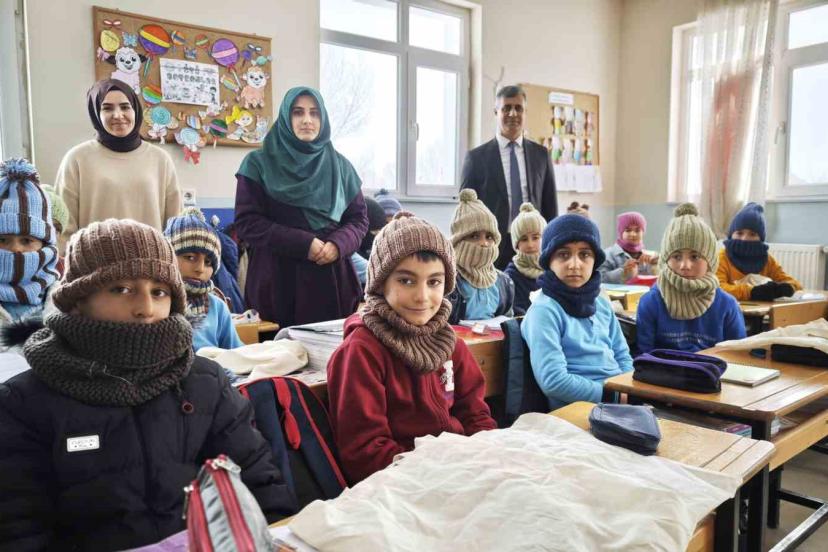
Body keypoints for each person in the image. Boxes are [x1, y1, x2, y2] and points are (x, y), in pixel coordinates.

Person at [0, 219, 295, 551]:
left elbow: (258, 484)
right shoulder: (23, 404)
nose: (146, 308)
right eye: (121, 289)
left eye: (159, 292)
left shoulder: (206, 383)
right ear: (78, 299)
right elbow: (19, 528)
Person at [327, 213, 497, 484]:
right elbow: (365, 453)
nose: (422, 297)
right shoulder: (361, 352)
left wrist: (486, 456)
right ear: (380, 283)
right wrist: (442, 472)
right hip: (403, 482)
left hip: (461, 470)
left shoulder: (450, 343)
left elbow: (476, 416)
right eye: (406, 281)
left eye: (434, 282)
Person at [234, 87, 368, 327]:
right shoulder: (258, 164)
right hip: (277, 283)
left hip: (332, 283)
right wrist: (303, 244)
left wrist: (338, 245)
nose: (307, 120)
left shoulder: (342, 168)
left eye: (314, 113)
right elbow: (247, 223)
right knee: (276, 350)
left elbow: (358, 220)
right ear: (286, 117)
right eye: (298, 112)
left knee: (333, 349)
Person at [521, 214, 633, 410]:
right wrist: (614, 396)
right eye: (564, 254)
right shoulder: (544, 311)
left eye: (585, 254)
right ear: (548, 260)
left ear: (595, 260)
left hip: (620, 403)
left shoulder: (601, 304)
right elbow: (554, 381)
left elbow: (623, 357)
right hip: (578, 410)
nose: (575, 264)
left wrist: (630, 392)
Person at [54, 79, 182, 248]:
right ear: (95, 113)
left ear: (135, 109)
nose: (118, 115)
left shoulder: (160, 159)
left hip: (152, 262)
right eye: (107, 108)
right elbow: (64, 229)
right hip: (94, 262)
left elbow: (175, 226)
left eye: (125, 107)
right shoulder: (77, 159)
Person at [460, 85, 558, 268]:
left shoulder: (541, 155)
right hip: (492, 248)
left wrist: (552, 247)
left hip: (532, 247)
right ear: (496, 112)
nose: (513, 114)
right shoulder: (476, 158)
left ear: (525, 112)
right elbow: (466, 210)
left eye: (518, 108)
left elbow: (550, 207)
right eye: (506, 108)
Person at [637, 204, 746, 353]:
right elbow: (644, 356)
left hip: (714, 368)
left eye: (695, 257)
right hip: (663, 368)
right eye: (676, 256)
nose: (685, 265)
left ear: (710, 262)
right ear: (665, 260)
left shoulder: (727, 305)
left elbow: (738, 355)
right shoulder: (651, 302)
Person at [164, 207, 243, 352]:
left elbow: (236, 354)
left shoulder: (217, 307)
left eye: (208, 262)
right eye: (190, 257)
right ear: (168, 257)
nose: (200, 269)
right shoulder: (158, 301)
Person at [0, 158, 59, 325]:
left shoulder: (66, 301)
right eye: (2, 240)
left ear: (45, 245)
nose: (15, 249)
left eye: (26, 241)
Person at [446, 189, 514, 324]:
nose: (484, 243)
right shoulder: (446, 280)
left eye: (489, 237)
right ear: (458, 241)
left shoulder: (504, 282)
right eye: (474, 236)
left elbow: (508, 323)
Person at [717, 202, 802, 301]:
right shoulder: (722, 258)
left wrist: (786, 288)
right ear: (731, 235)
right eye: (739, 233)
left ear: (760, 238)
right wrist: (752, 292)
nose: (744, 238)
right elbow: (717, 289)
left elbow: (795, 284)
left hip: (762, 309)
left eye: (752, 234)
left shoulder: (767, 260)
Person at [503, 202, 546, 315]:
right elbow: (516, 313)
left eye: (535, 238)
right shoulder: (510, 277)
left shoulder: (554, 270)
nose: (530, 245)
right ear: (516, 244)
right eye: (524, 239)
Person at [600, 211, 658, 284]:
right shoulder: (606, 255)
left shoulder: (651, 256)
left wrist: (657, 267)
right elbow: (598, 279)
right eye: (628, 230)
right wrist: (623, 272)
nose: (633, 234)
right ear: (620, 232)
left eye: (637, 230)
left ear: (643, 232)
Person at [351, 196, 387, 286]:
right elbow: (378, 275)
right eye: (374, 232)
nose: (376, 237)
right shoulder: (347, 254)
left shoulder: (367, 251)